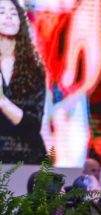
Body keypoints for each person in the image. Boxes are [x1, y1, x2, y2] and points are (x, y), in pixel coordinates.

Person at [0, 0, 47, 164]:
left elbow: (33, 125)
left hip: (28, 159)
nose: (8, 17)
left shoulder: (33, 69)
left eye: (13, 13)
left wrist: (3, 103)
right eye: (2, 12)